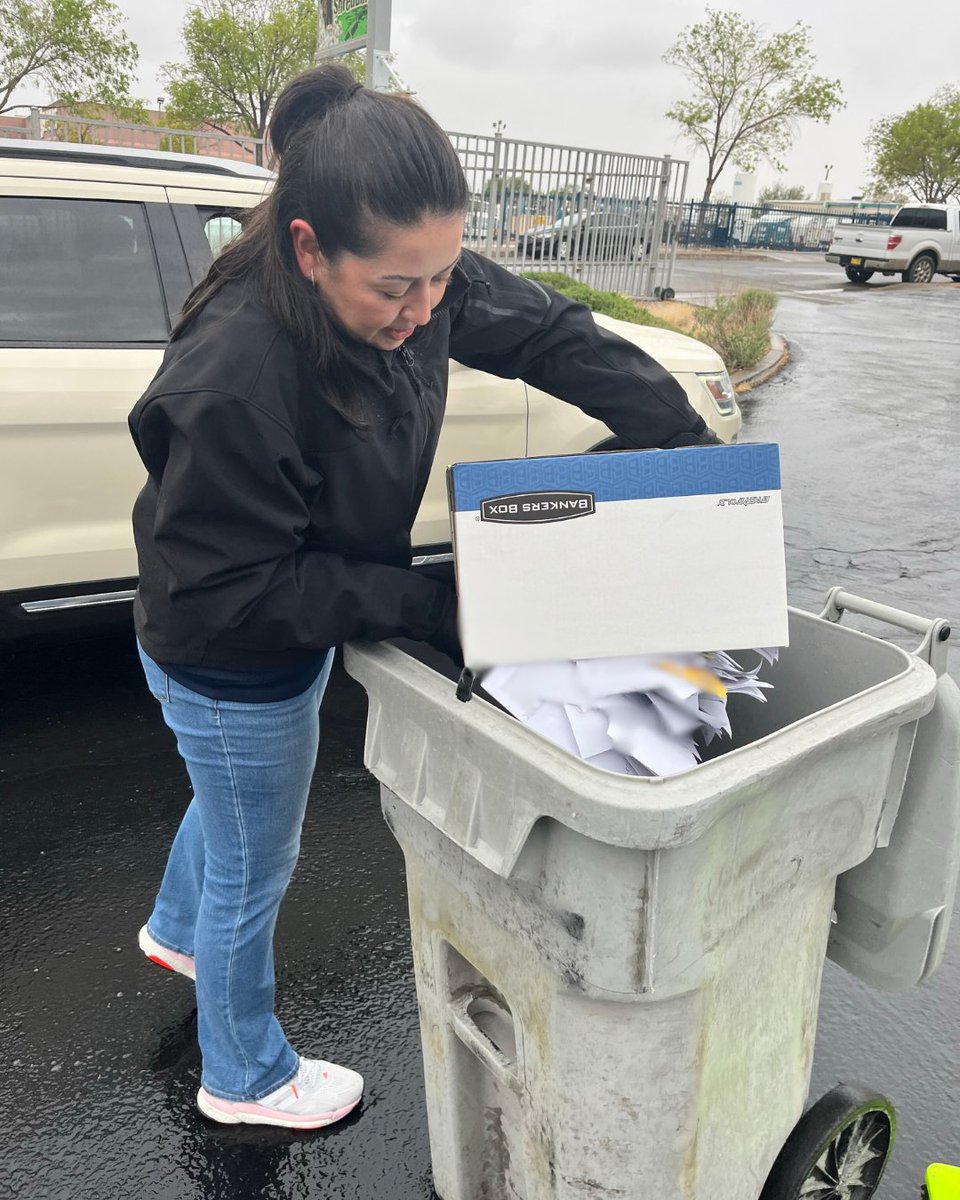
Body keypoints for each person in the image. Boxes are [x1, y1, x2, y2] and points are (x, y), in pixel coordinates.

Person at [129, 63, 719, 1132]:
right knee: (257, 859)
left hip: (290, 608)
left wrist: (678, 439)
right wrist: (431, 604)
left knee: (230, 804)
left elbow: (547, 332)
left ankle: (175, 931)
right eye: (398, 289)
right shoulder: (238, 375)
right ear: (309, 249)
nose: (427, 308)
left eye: (443, 277)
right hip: (227, 652)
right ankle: (244, 1077)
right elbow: (237, 593)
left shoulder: (411, 270)